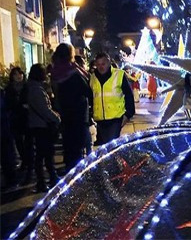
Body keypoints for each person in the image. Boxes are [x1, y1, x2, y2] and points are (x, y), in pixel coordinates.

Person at [50, 44, 93, 172]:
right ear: (70, 55)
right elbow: (88, 92)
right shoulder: (74, 72)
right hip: (78, 114)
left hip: (63, 113)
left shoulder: (55, 71)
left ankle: (69, 168)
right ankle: (77, 173)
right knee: (78, 146)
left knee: (68, 144)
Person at [26, 64, 61, 192]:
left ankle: (49, 178)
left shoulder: (35, 87)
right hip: (41, 126)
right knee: (44, 154)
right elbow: (44, 109)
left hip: (39, 125)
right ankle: (44, 181)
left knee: (43, 154)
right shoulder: (36, 89)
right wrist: (56, 118)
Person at [89, 52, 135, 145]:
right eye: (98, 64)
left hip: (115, 118)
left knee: (111, 145)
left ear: (109, 63)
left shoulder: (119, 75)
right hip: (100, 119)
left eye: (103, 64)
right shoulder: (93, 77)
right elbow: (91, 97)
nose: (100, 67)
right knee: (104, 147)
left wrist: (128, 114)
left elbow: (129, 95)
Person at [4, 67, 32, 174]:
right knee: (19, 142)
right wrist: (20, 106)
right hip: (16, 118)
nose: (18, 76)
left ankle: (28, 163)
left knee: (28, 142)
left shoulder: (27, 87)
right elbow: (9, 104)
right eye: (15, 74)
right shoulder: (9, 89)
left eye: (20, 73)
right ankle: (25, 161)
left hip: (27, 118)